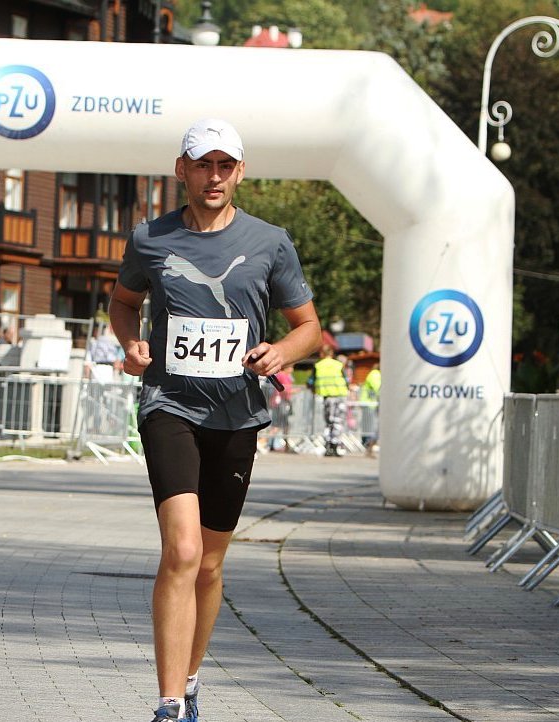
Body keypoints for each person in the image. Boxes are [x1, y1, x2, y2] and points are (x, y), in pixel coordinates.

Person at [108, 118, 321, 722]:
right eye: (203, 164)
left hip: (237, 414)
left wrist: (282, 351)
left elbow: (309, 327)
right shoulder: (150, 238)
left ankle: (191, 677)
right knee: (181, 549)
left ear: (240, 172)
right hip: (169, 405)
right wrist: (131, 344)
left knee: (208, 562)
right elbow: (124, 303)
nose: (214, 176)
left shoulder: (270, 242)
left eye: (225, 165)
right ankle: (169, 703)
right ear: (182, 169)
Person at [311, 344, 349, 456]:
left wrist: (314, 390)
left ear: (321, 354)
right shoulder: (338, 365)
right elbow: (346, 380)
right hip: (340, 396)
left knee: (328, 422)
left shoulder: (318, 365)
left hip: (326, 397)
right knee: (338, 422)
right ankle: (335, 446)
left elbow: (310, 381)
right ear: (331, 353)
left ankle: (328, 446)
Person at [359, 362, 381, 456]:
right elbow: (379, 388)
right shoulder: (375, 374)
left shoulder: (376, 374)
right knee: (371, 428)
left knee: (373, 428)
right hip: (369, 404)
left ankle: (369, 448)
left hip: (372, 404)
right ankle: (368, 447)